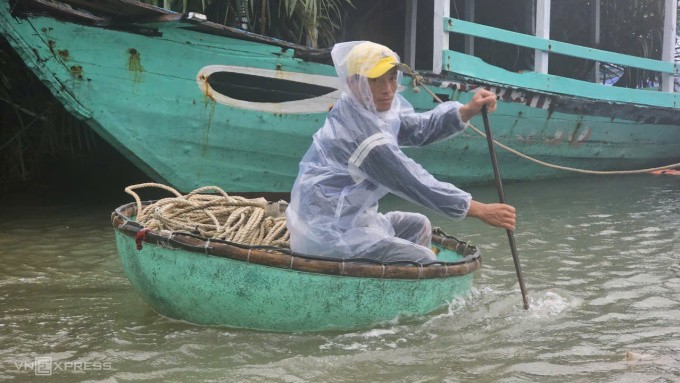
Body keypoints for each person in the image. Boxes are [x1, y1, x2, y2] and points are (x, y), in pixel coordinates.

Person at [285, 41, 516, 263]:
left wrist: (466, 111)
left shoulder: (364, 106)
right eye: (375, 81)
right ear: (354, 83)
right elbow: (414, 182)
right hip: (327, 235)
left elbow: (417, 128)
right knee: (423, 258)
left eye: (392, 78)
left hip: (354, 219)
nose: (388, 90)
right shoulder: (363, 136)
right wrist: (480, 210)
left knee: (420, 225)